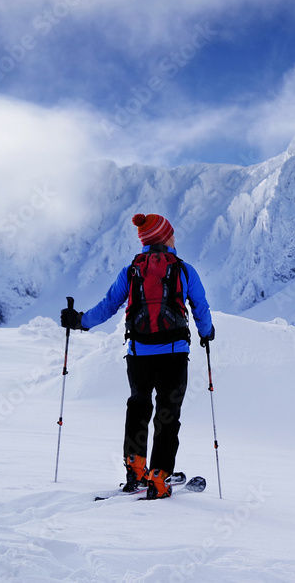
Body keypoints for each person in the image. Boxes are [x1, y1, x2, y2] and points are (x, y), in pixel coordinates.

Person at [60, 213, 214, 499]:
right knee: (167, 414)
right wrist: (207, 332)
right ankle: (159, 477)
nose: (174, 237)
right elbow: (200, 307)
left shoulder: (131, 270)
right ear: (163, 237)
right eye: (171, 234)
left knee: (138, 406)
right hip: (174, 352)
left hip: (138, 353)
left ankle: (135, 468)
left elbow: (108, 305)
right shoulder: (184, 270)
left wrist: (80, 321)